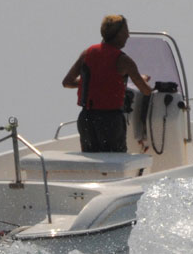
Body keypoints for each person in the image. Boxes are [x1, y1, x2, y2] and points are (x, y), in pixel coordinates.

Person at [62, 15, 152, 152]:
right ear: (118, 34)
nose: (128, 35)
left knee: (92, 164)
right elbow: (145, 91)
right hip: (110, 121)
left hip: (86, 119)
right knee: (114, 161)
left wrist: (94, 82)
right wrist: (143, 81)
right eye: (126, 31)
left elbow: (67, 82)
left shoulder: (87, 53)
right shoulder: (124, 61)